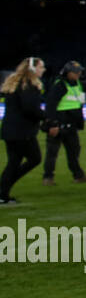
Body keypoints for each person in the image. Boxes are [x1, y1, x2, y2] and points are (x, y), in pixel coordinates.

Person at [42, 61, 86, 184]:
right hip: (59, 121)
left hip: (71, 123)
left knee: (74, 150)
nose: (79, 74)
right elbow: (50, 105)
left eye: (80, 71)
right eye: (76, 72)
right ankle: (48, 177)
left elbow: (79, 103)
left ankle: (78, 175)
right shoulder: (60, 85)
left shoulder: (79, 84)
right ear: (68, 72)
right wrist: (53, 124)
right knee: (52, 152)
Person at [1, 57, 46, 204]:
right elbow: (29, 109)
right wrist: (46, 117)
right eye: (41, 67)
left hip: (10, 130)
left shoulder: (15, 83)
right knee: (34, 158)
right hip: (22, 131)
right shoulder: (28, 85)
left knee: (14, 162)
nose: (43, 70)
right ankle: (3, 189)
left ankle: (3, 193)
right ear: (32, 69)